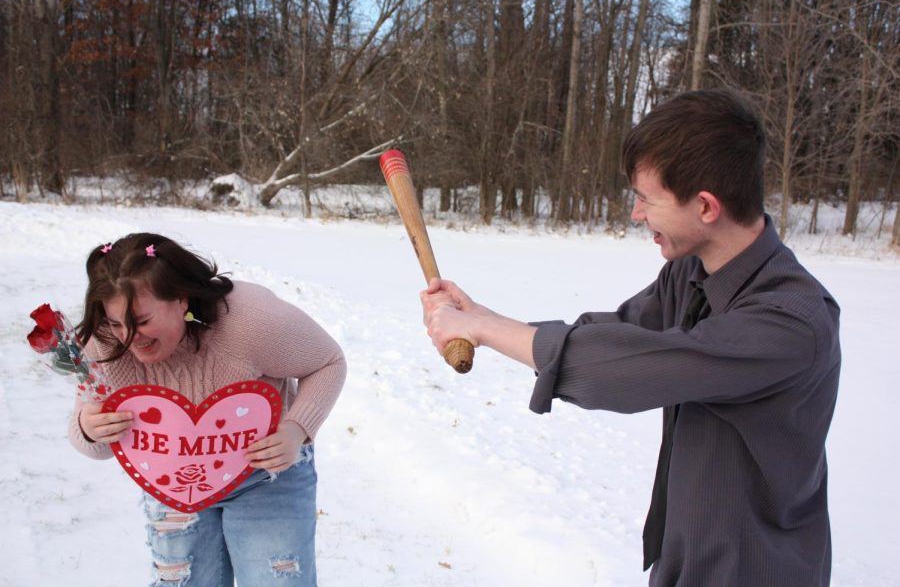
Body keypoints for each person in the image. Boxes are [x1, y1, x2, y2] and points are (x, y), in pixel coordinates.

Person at [421, 89, 840, 586]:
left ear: (706, 206)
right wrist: (481, 317)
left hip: (753, 572)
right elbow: (616, 334)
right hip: (684, 560)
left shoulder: (791, 322)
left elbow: (625, 370)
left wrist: (487, 330)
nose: (636, 214)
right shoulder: (690, 273)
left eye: (646, 199)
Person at [68, 232, 346, 587]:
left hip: (266, 476)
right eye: (117, 322)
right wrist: (89, 428)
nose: (129, 336)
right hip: (172, 483)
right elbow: (94, 445)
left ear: (181, 297)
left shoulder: (251, 321)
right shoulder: (102, 342)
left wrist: (296, 430)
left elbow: (328, 361)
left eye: (142, 320)